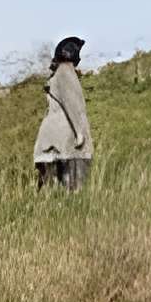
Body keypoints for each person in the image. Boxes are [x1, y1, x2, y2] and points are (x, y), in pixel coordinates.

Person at [33, 36, 92, 191]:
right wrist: (80, 133)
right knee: (72, 188)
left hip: (49, 141)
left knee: (47, 187)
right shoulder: (66, 72)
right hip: (63, 141)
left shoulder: (56, 74)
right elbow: (72, 104)